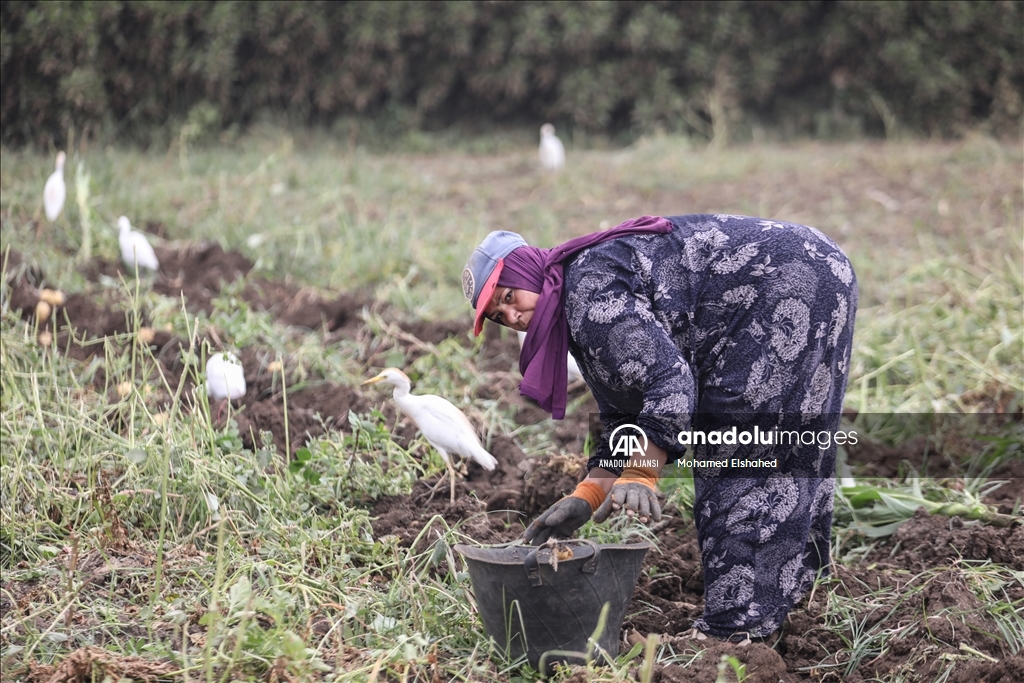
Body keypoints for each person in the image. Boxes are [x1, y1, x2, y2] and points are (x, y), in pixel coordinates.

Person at [462, 214, 857, 641]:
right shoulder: (576, 302)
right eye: (498, 315)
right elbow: (624, 409)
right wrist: (589, 493)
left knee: (736, 446)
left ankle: (735, 635)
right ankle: (803, 593)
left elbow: (670, 381)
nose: (512, 315)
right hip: (816, 266)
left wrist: (643, 471)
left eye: (508, 296)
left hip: (783, 279)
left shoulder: (587, 293)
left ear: (529, 272)